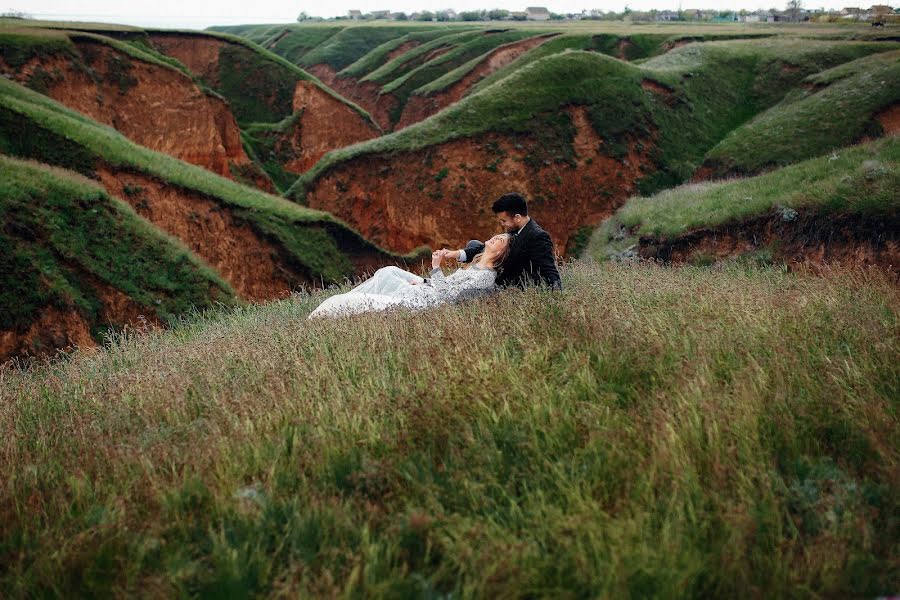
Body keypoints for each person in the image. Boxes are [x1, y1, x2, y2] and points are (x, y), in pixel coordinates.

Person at [308, 233, 512, 318]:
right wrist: (423, 280)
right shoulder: (475, 263)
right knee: (388, 271)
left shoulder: (485, 276)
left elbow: (449, 296)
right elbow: (447, 285)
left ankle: (346, 305)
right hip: (427, 290)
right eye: (498, 234)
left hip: (426, 301)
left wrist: (435, 267)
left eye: (502, 239)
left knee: (347, 302)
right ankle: (360, 300)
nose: (497, 236)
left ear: (503, 253)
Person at [450, 192, 562, 290]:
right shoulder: (515, 228)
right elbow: (483, 247)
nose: (502, 224)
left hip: (509, 281)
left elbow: (549, 269)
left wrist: (556, 294)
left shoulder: (538, 237)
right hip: (498, 266)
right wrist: (457, 253)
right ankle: (461, 278)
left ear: (517, 218)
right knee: (474, 244)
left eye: (504, 220)